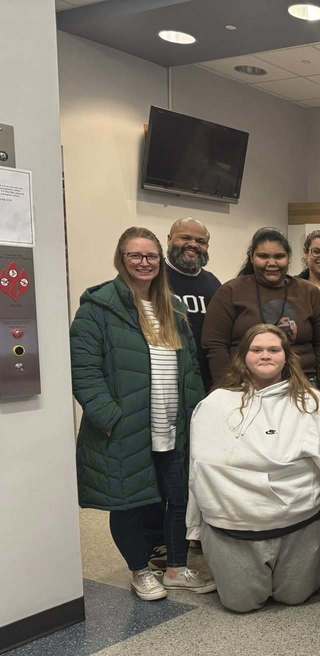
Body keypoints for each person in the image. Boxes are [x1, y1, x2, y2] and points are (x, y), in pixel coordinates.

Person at [70, 226, 214, 600]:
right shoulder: (97, 309)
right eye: (135, 255)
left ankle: (176, 568)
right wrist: (111, 419)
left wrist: (194, 413)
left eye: (150, 256)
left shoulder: (173, 308)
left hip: (172, 422)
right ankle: (139, 570)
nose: (144, 262)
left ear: (159, 260)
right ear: (121, 259)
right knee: (129, 500)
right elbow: (84, 374)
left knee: (177, 496)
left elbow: (190, 369)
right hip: (124, 427)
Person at [186, 324, 320, 613]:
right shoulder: (214, 406)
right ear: (243, 356)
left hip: (299, 521)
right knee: (240, 604)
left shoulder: (315, 404)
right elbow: (198, 471)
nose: (265, 355)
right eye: (256, 349)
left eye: (273, 349)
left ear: (287, 356)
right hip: (233, 524)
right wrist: (194, 528)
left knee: (295, 596)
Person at [203, 227, 320, 395]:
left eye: (279, 256)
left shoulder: (310, 294)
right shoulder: (230, 292)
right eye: (263, 256)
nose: (271, 263)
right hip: (243, 387)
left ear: (288, 258)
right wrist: (227, 390)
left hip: (302, 386)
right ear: (251, 258)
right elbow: (215, 345)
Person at [164, 217, 221, 392]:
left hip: (205, 380)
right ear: (169, 239)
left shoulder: (213, 284)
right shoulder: (153, 278)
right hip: (166, 379)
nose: (193, 244)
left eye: (200, 241)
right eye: (185, 238)